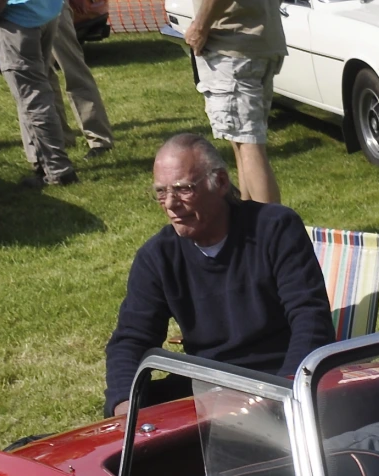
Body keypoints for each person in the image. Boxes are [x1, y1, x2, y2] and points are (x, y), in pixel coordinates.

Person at [104, 133, 333, 417]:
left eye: (183, 189)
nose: (171, 204)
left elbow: (311, 320)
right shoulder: (157, 257)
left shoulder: (275, 229)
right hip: (208, 386)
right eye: (161, 192)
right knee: (136, 409)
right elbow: (131, 340)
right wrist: (124, 405)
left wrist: (285, 393)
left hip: (278, 379)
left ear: (221, 182)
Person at [182, 0, 284, 204]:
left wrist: (200, 27)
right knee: (242, 142)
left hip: (234, 48)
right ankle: (249, 225)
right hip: (258, 41)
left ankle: (274, 232)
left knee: (249, 145)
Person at [0, 0, 75, 186]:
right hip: (47, 13)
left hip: (18, 20)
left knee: (34, 98)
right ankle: (42, 164)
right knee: (33, 94)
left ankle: (59, 171)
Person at [45, 4, 112, 157]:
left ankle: (99, 139)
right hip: (22, 12)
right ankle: (59, 138)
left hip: (51, 7)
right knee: (42, 77)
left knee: (74, 70)